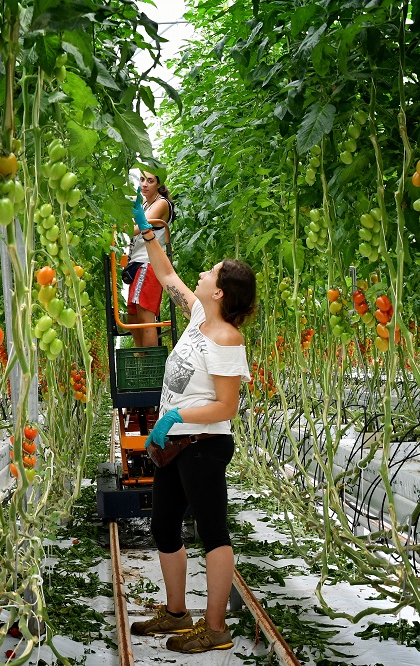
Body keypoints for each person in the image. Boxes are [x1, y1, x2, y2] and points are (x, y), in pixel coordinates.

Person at [125, 189, 256, 654]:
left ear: (219, 291)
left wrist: (177, 414)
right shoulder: (201, 314)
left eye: (211, 272)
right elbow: (165, 273)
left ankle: (215, 628)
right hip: (176, 442)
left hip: (202, 442)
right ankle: (177, 612)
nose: (201, 273)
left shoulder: (226, 338)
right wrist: (148, 234)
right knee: (164, 527)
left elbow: (226, 406)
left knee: (213, 533)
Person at [123, 172, 174, 349]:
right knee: (134, 317)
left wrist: (119, 222)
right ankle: (142, 358)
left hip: (149, 263)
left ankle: (148, 367)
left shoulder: (161, 203)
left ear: (159, 184)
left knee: (146, 317)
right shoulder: (145, 203)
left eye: (150, 181)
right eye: (142, 180)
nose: (144, 184)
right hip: (139, 263)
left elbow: (138, 227)